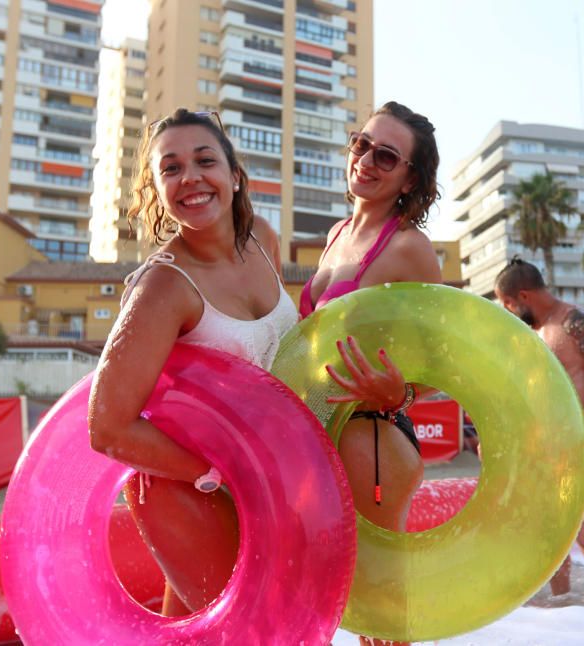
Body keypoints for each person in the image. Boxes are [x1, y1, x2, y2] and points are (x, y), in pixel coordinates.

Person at [86, 108, 395, 618]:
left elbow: (284, 360)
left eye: (204, 160)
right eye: (170, 168)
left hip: (269, 475)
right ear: (157, 187)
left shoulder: (262, 242)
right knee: (262, 628)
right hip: (193, 483)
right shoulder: (162, 287)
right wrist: (215, 473)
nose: (190, 177)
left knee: (193, 627)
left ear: (233, 175)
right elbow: (107, 427)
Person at [300, 101, 442, 645]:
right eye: (362, 144)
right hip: (326, 432)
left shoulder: (409, 249)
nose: (367, 160)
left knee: (380, 613)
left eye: (387, 155)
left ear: (410, 178)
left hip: (374, 436)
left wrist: (402, 392)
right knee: (347, 602)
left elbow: (446, 362)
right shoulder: (337, 235)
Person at [494, 257, 584, 596]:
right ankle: (562, 604)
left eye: (507, 304)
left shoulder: (575, 322)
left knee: (581, 527)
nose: (508, 312)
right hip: (551, 434)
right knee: (549, 529)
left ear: (523, 296)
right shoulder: (533, 332)